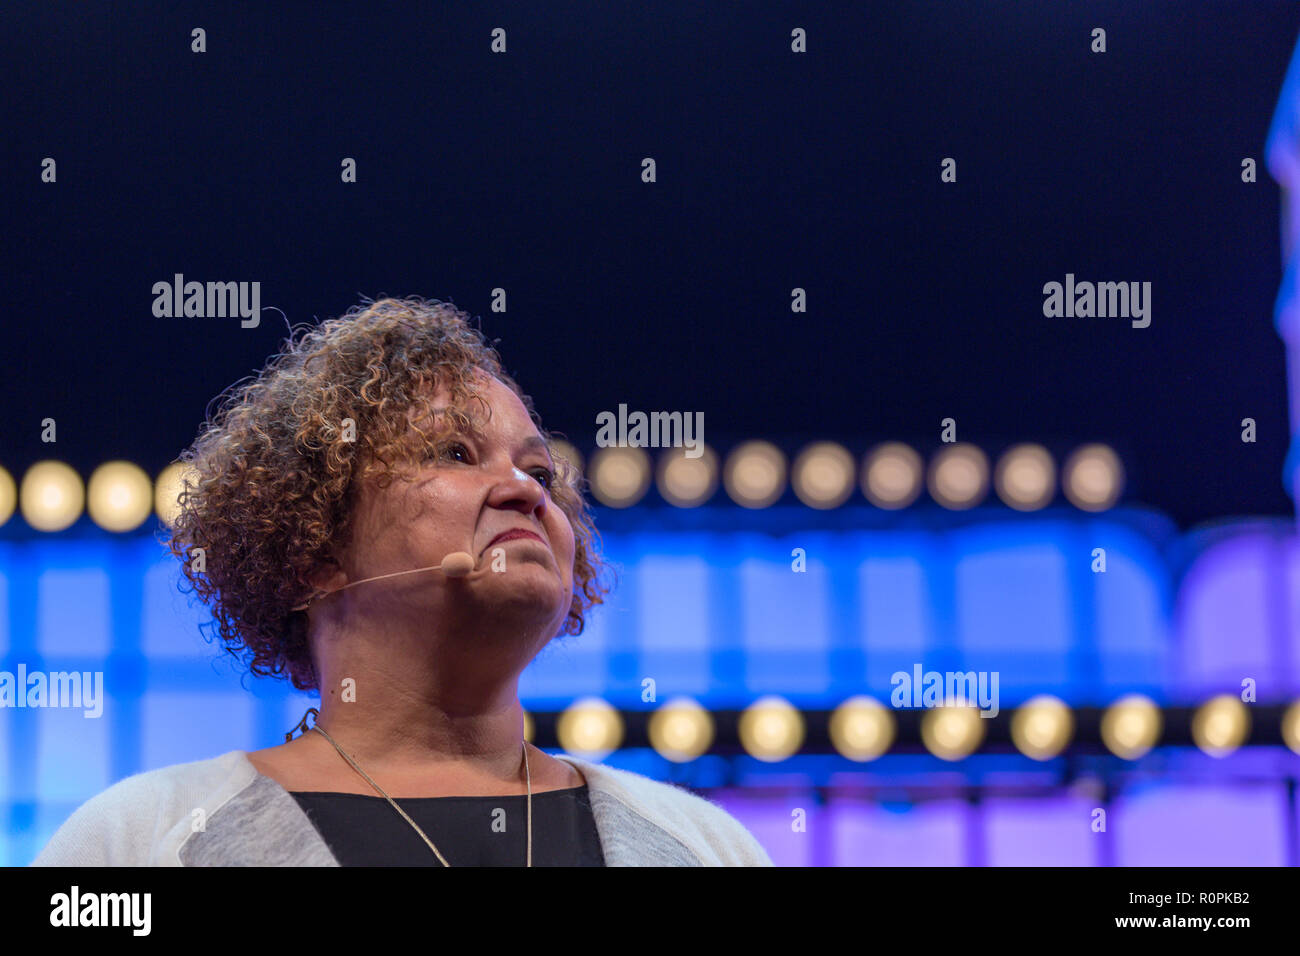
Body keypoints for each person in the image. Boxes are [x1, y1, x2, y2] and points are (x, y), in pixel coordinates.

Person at [32, 296, 773, 867]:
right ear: (315, 549)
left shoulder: (703, 845)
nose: (525, 490)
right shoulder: (140, 840)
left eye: (539, 470)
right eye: (454, 453)